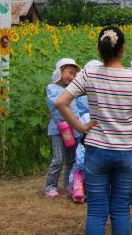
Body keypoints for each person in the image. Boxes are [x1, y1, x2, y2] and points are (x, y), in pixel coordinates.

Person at [54, 26, 132, 235]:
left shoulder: (89, 74)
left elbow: (61, 102)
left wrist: (80, 127)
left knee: (97, 212)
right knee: (121, 209)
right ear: (123, 48)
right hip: (127, 151)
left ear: (99, 49)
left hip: (96, 150)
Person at [45, 58, 81, 198]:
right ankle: (50, 186)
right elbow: (58, 103)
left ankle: (69, 184)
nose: (71, 77)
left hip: (74, 129)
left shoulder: (73, 90)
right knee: (58, 159)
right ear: (60, 71)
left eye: (74, 75)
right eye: (69, 72)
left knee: (72, 159)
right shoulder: (52, 88)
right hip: (58, 129)